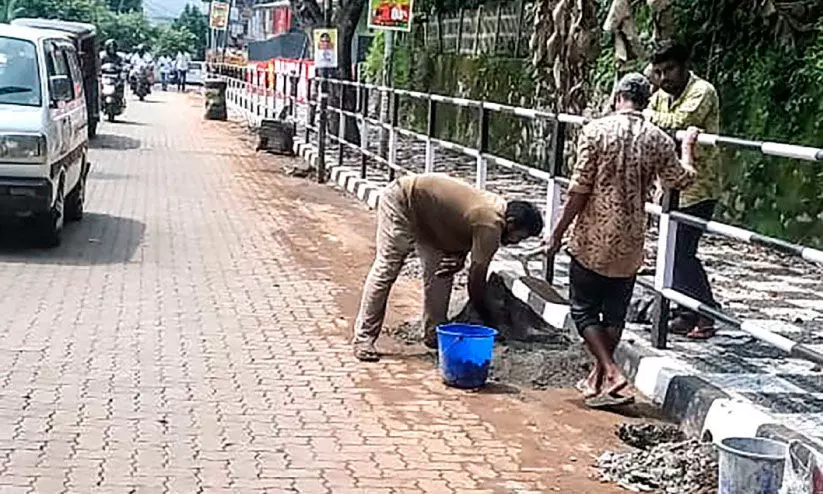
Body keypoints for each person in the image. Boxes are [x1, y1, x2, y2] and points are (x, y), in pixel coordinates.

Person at [544, 73, 700, 406]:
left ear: (617, 98)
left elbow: (578, 189)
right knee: (615, 314)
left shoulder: (595, 131)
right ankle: (598, 379)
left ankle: (612, 372)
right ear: (646, 102)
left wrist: (557, 233)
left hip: (592, 237)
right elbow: (680, 179)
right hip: (630, 238)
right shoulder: (658, 139)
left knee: (583, 311)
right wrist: (686, 147)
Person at [353, 173, 544, 362]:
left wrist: (458, 256)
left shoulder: (498, 210)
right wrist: (485, 315)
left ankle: (433, 334)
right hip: (403, 199)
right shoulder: (492, 223)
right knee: (388, 267)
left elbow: (460, 222)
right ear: (510, 223)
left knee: (442, 274)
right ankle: (364, 338)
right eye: (518, 237)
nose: (514, 243)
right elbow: (476, 278)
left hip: (430, 220)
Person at [645, 41, 721, 339]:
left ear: (685, 65)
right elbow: (654, 118)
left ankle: (706, 314)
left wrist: (650, 118)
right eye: (659, 72)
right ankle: (685, 312)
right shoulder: (661, 96)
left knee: (683, 253)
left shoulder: (703, 91)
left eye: (670, 70)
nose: (665, 78)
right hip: (667, 185)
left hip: (697, 186)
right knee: (669, 251)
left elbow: (680, 122)